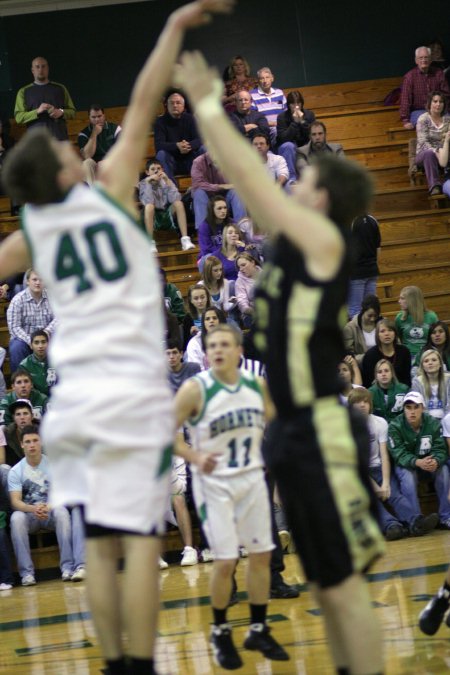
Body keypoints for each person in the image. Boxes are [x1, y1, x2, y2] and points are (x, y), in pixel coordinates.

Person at [0, 3, 234, 674]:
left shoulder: (35, 233)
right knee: (131, 540)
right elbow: (141, 95)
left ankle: (114, 661)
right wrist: (173, 27)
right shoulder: (110, 195)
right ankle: (136, 660)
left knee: (100, 543)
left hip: (74, 400)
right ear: (69, 172)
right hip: (126, 394)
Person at [174, 50, 385, 674]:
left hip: (322, 428)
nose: (295, 183)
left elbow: (254, 180)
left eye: (307, 181)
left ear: (323, 197)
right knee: (326, 585)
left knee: (346, 588)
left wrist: (209, 106)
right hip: (291, 434)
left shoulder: (325, 240)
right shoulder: (288, 246)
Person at [174, 324, 289, 669]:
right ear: (206, 354)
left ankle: (258, 627)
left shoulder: (257, 385)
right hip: (215, 486)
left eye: (225, 344)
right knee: (226, 561)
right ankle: (220, 630)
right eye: (212, 345)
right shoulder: (195, 389)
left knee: (260, 557)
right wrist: (195, 457)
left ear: (239, 351)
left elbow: (277, 423)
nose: (218, 350)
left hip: (251, 480)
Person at [348, 388, 436, 540]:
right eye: (357, 402)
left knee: (393, 493)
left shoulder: (379, 422)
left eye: (365, 401)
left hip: (379, 467)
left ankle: (416, 522)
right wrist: (374, 487)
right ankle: (391, 526)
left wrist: (386, 483)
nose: (362, 405)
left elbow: (384, 454)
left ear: (370, 404)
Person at [8, 425, 85, 585]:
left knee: (62, 513)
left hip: (51, 511)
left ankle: (68, 568)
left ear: (41, 442)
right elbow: (15, 501)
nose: (32, 445)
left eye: (35, 440)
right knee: (16, 518)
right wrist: (33, 509)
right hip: (30, 515)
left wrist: (48, 507)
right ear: (21, 444)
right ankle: (27, 574)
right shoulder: (16, 471)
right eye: (27, 441)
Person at [388, 391, 450, 530]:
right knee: (408, 477)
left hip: (428, 464)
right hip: (407, 466)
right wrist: (417, 462)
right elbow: (398, 453)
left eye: (416, 407)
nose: (412, 412)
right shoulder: (395, 426)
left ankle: (445, 517)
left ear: (423, 408)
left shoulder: (433, 423)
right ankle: (416, 521)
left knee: (444, 470)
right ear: (403, 409)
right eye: (408, 408)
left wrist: (436, 461)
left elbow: (441, 449)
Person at [138, 158, 195, 252]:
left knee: (179, 203)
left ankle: (185, 239)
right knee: (149, 206)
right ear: (147, 172)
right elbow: (148, 200)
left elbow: (176, 198)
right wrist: (149, 183)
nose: (156, 171)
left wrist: (167, 180)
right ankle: (150, 242)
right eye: (153, 169)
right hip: (153, 214)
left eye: (158, 168)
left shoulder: (166, 180)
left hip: (166, 212)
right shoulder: (143, 183)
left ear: (162, 170)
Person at [14, 56, 76, 141]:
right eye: (37, 67)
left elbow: (72, 112)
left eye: (43, 66)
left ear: (48, 68)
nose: (40, 69)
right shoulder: (23, 91)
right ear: (32, 70)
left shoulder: (60, 88)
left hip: (60, 139)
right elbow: (19, 117)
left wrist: (61, 112)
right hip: (37, 142)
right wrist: (37, 111)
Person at [6, 268, 56, 373]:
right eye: (34, 279)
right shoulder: (17, 300)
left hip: (47, 337)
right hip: (24, 340)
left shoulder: (52, 297)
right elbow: (14, 327)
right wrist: (31, 341)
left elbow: (60, 318)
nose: (38, 283)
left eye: (41, 280)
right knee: (16, 347)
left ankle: (55, 383)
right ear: (27, 281)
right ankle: (20, 381)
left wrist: (47, 332)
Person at [154, 89, 203, 181]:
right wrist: (177, 145)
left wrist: (188, 146)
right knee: (161, 154)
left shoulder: (190, 119)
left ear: (183, 106)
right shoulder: (160, 122)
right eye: (171, 103)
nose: (175, 105)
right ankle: (171, 190)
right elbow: (159, 145)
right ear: (167, 106)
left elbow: (200, 139)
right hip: (171, 161)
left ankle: (206, 185)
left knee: (204, 149)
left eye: (178, 103)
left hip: (190, 159)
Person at [190, 151, 246, 229]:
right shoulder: (198, 162)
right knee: (199, 193)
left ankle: (240, 230)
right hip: (207, 202)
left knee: (237, 192)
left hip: (225, 201)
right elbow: (197, 184)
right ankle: (203, 232)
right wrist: (220, 186)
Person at [400, 46, 450, 129]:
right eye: (421, 58)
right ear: (416, 60)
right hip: (419, 111)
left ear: (430, 59)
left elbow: (446, 95)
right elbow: (405, 99)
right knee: (426, 122)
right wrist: (405, 120)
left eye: (426, 57)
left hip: (439, 110)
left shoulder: (439, 73)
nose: (424, 60)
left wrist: (446, 110)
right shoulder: (409, 77)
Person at [414, 91, 450, 194]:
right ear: (430, 103)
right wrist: (436, 152)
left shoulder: (448, 119)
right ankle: (435, 186)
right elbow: (423, 142)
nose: (438, 104)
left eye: (441, 102)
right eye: (435, 101)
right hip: (425, 153)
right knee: (429, 153)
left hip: (444, 152)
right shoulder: (423, 119)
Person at [276, 90, 316, 181]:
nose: (296, 106)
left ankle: (311, 179)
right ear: (288, 105)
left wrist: (302, 121)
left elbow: (311, 135)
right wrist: (294, 123)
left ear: (302, 103)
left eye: (298, 103)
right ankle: (292, 179)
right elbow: (283, 138)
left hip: (304, 144)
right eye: (293, 104)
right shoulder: (282, 117)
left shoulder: (309, 115)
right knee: (288, 146)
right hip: (288, 145)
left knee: (312, 145)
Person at [347, 214, 381, 319]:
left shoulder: (351, 221)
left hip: (356, 272)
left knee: (355, 309)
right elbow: (378, 248)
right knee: (371, 308)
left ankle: (359, 334)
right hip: (372, 270)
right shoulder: (373, 220)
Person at [77, 104, 121, 185]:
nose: (97, 119)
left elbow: (122, 151)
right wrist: (94, 134)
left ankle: (132, 194)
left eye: (99, 116)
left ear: (104, 116)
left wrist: (106, 162)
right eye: (93, 117)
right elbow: (86, 155)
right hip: (94, 166)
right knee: (87, 163)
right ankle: (92, 196)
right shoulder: (83, 133)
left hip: (112, 162)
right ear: (89, 118)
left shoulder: (115, 129)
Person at [361, 319, 411, 388]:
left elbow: (407, 379)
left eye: (390, 330)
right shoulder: (370, 355)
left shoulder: (404, 351)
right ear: (377, 335)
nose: (387, 334)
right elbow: (368, 383)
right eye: (382, 331)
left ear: (395, 333)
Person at [395, 285, 438, 360]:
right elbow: (399, 338)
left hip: (428, 355)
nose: (399, 301)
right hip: (408, 356)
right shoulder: (399, 318)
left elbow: (437, 338)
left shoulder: (431, 316)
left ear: (412, 300)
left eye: (402, 298)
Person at [249, 67, 287, 144]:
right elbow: (253, 119)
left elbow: (286, 112)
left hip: (281, 127)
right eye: (262, 78)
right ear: (258, 81)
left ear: (272, 78)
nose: (265, 81)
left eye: (267, 77)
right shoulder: (252, 95)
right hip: (264, 130)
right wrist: (273, 124)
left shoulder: (279, 92)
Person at [343, 294, 381, 364]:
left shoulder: (383, 323)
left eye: (375, 316)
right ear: (363, 311)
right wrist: (369, 357)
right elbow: (349, 356)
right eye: (369, 315)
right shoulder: (350, 328)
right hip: (362, 367)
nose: (372, 319)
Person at [412, 350, 450, 419]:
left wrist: (445, 420)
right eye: (426, 361)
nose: (430, 363)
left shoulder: (448, 380)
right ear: (422, 366)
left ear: (441, 364)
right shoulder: (417, 382)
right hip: (426, 421)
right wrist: (430, 422)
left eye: (434, 360)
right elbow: (418, 406)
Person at [198, 194, 234, 264]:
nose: (223, 211)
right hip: (211, 256)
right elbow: (206, 249)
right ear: (212, 210)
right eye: (219, 208)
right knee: (208, 258)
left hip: (230, 253)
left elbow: (238, 242)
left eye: (225, 208)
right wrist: (225, 250)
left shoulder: (232, 223)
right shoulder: (204, 226)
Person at [19, 329, 56, 395]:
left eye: (43, 342)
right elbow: (28, 390)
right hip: (37, 401)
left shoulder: (57, 360)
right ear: (31, 345)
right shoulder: (24, 365)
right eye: (36, 342)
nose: (40, 346)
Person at [235, 252, 261, 327]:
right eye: (239, 267)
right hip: (252, 313)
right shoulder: (239, 282)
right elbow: (242, 303)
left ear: (253, 262)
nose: (241, 269)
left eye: (243, 265)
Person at [182, 283, 211, 350]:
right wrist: (191, 335)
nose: (200, 301)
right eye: (196, 298)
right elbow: (186, 344)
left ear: (207, 297)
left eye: (202, 297)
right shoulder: (188, 318)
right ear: (191, 300)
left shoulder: (215, 313)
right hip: (195, 348)